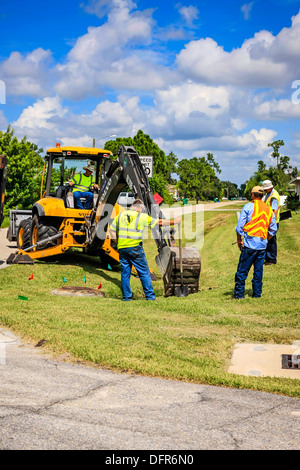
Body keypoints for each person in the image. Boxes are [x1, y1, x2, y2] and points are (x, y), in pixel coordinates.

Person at [109, 199, 181, 301]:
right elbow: (160, 222)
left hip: (122, 248)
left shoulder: (120, 215)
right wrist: (175, 221)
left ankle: (127, 297)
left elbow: (111, 230)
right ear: (139, 208)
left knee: (125, 273)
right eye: (141, 209)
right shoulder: (141, 216)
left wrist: (117, 243)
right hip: (135, 248)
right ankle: (150, 297)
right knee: (144, 272)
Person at [233, 186, 277, 299]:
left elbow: (239, 228)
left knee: (242, 271)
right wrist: (266, 239)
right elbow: (273, 229)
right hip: (262, 246)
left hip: (249, 245)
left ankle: (239, 295)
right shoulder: (268, 209)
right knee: (258, 272)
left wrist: (239, 240)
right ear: (262, 196)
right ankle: (257, 294)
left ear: (252, 195)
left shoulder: (248, 207)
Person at [262, 179, 280, 265]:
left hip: (272, 222)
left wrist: (271, 223)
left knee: (271, 241)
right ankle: (268, 258)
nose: (264, 190)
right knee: (268, 240)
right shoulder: (269, 194)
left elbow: (275, 211)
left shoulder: (273, 196)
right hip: (269, 221)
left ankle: (271, 259)